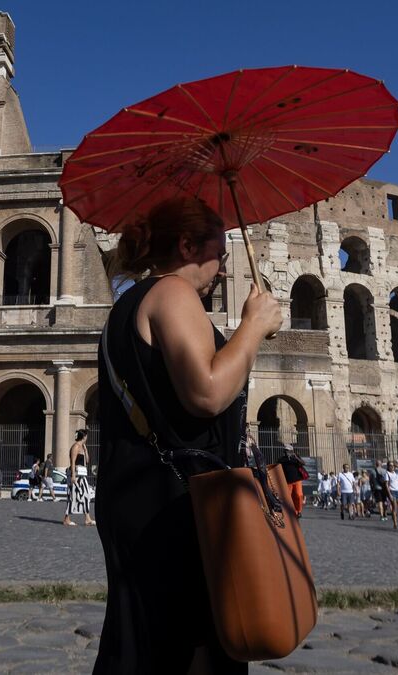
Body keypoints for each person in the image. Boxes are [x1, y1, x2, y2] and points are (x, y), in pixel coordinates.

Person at [94, 196, 281, 673]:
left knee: (144, 642)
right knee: (192, 647)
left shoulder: (127, 306)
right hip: (178, 502)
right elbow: (207, 393)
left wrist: (245, 337)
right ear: (186, 245)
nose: (222, 270)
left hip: (139, 496)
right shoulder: (174, 293)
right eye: (218, 253)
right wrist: (252, 328)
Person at [63, 429, 96, 527]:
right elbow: (72, 462)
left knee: (86, 496)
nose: (87, 437)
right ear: (84, 436)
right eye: (86, 436)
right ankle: (66, 519)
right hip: (76, 475)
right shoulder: (75, 446)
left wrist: (85, 450)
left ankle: (87, 519)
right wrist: (73, 475)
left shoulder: (82, 447)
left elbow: (87, 461)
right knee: (73, 496)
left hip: (82, 475)